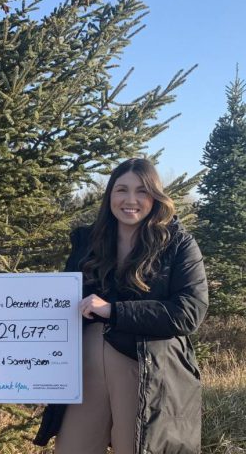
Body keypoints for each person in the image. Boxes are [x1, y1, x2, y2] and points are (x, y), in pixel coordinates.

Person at [34, 158, 208, 454]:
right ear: (110, 196)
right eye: (121, 190)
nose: (130, 200)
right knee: (74, 447)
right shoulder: (87, 242)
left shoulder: (178, 244)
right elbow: (64, 302)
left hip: (146, 370)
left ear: (155, 196)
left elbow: (189, 311)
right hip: (85, 371)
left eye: (142, 191)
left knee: (138, 447)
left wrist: (114, 311)